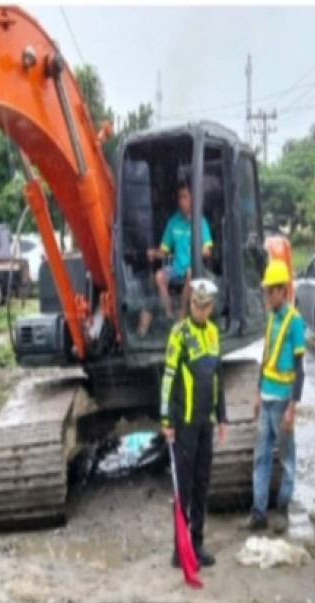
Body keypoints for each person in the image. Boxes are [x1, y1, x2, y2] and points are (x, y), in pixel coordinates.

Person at [160, 278, 228, 569]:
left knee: (202, 485)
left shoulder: (213, 333)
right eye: (196, 305)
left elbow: (218, 379)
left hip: (206, 422)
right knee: (184, 489)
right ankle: (180, 549)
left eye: (205, 306)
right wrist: (166, 420)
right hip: (184, 424)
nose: (200, 310)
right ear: (191, 305)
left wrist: (222, 416)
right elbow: (168, 379)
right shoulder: (179, 334)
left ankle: (197, 543)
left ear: (211, 307)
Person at [241, 259, 305, 535]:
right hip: (266, 397)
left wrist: (292, 408)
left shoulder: (295, 322)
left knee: (286, 458)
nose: (267, 295)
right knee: (261, 457)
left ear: (282, 290)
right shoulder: (270, 319)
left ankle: (282, 510)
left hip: (282, 401)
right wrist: (257, 393)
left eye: (270, 291)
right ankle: (259, 512)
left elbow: (300, 370)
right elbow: (265, 357)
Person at [137, 182, 214, 337]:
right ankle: (169, 313)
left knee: (190, 273)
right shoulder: (173, 222)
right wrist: (154, 253)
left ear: (192, 198)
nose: (182, 201)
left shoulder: (200, 221)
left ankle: (182, 314)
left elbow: (208, 250)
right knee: (159, 276)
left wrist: (200, 250)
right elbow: (164, 251)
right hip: (176, 268)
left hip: (195, 269)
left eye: (185, 197)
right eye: (180, 197)